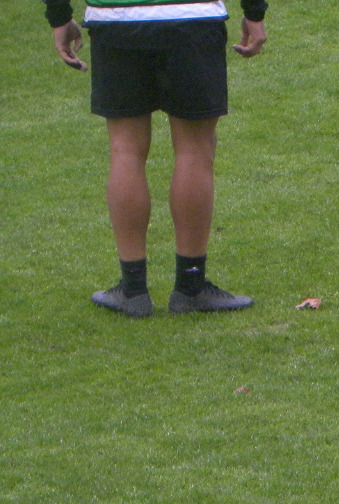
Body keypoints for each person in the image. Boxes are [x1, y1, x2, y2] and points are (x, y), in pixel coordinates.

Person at [43, 0, 269, 318]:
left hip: (115, 21)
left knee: (125, 150)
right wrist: (254, 13)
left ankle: (133, 290)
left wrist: (59, 18)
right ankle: (191, 287)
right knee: (195, 150)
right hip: (193, 17)